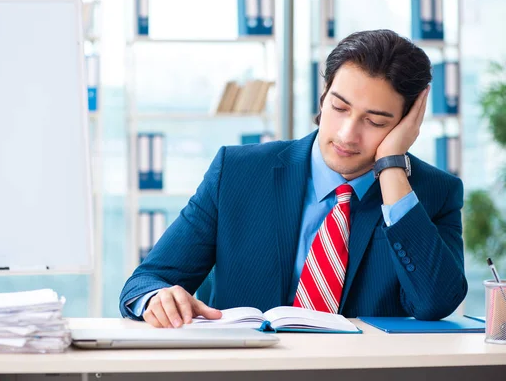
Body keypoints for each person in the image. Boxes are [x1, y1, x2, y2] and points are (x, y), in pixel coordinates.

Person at [119, 29, 468, 328]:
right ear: (323, 96)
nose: (347, 134)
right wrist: (157, 300)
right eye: (340, 107)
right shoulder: (237, 172)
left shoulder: (433, 193)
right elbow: (145, 282)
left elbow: (435, 302)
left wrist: (392, 165)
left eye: (375, 122)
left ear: (407, 123)